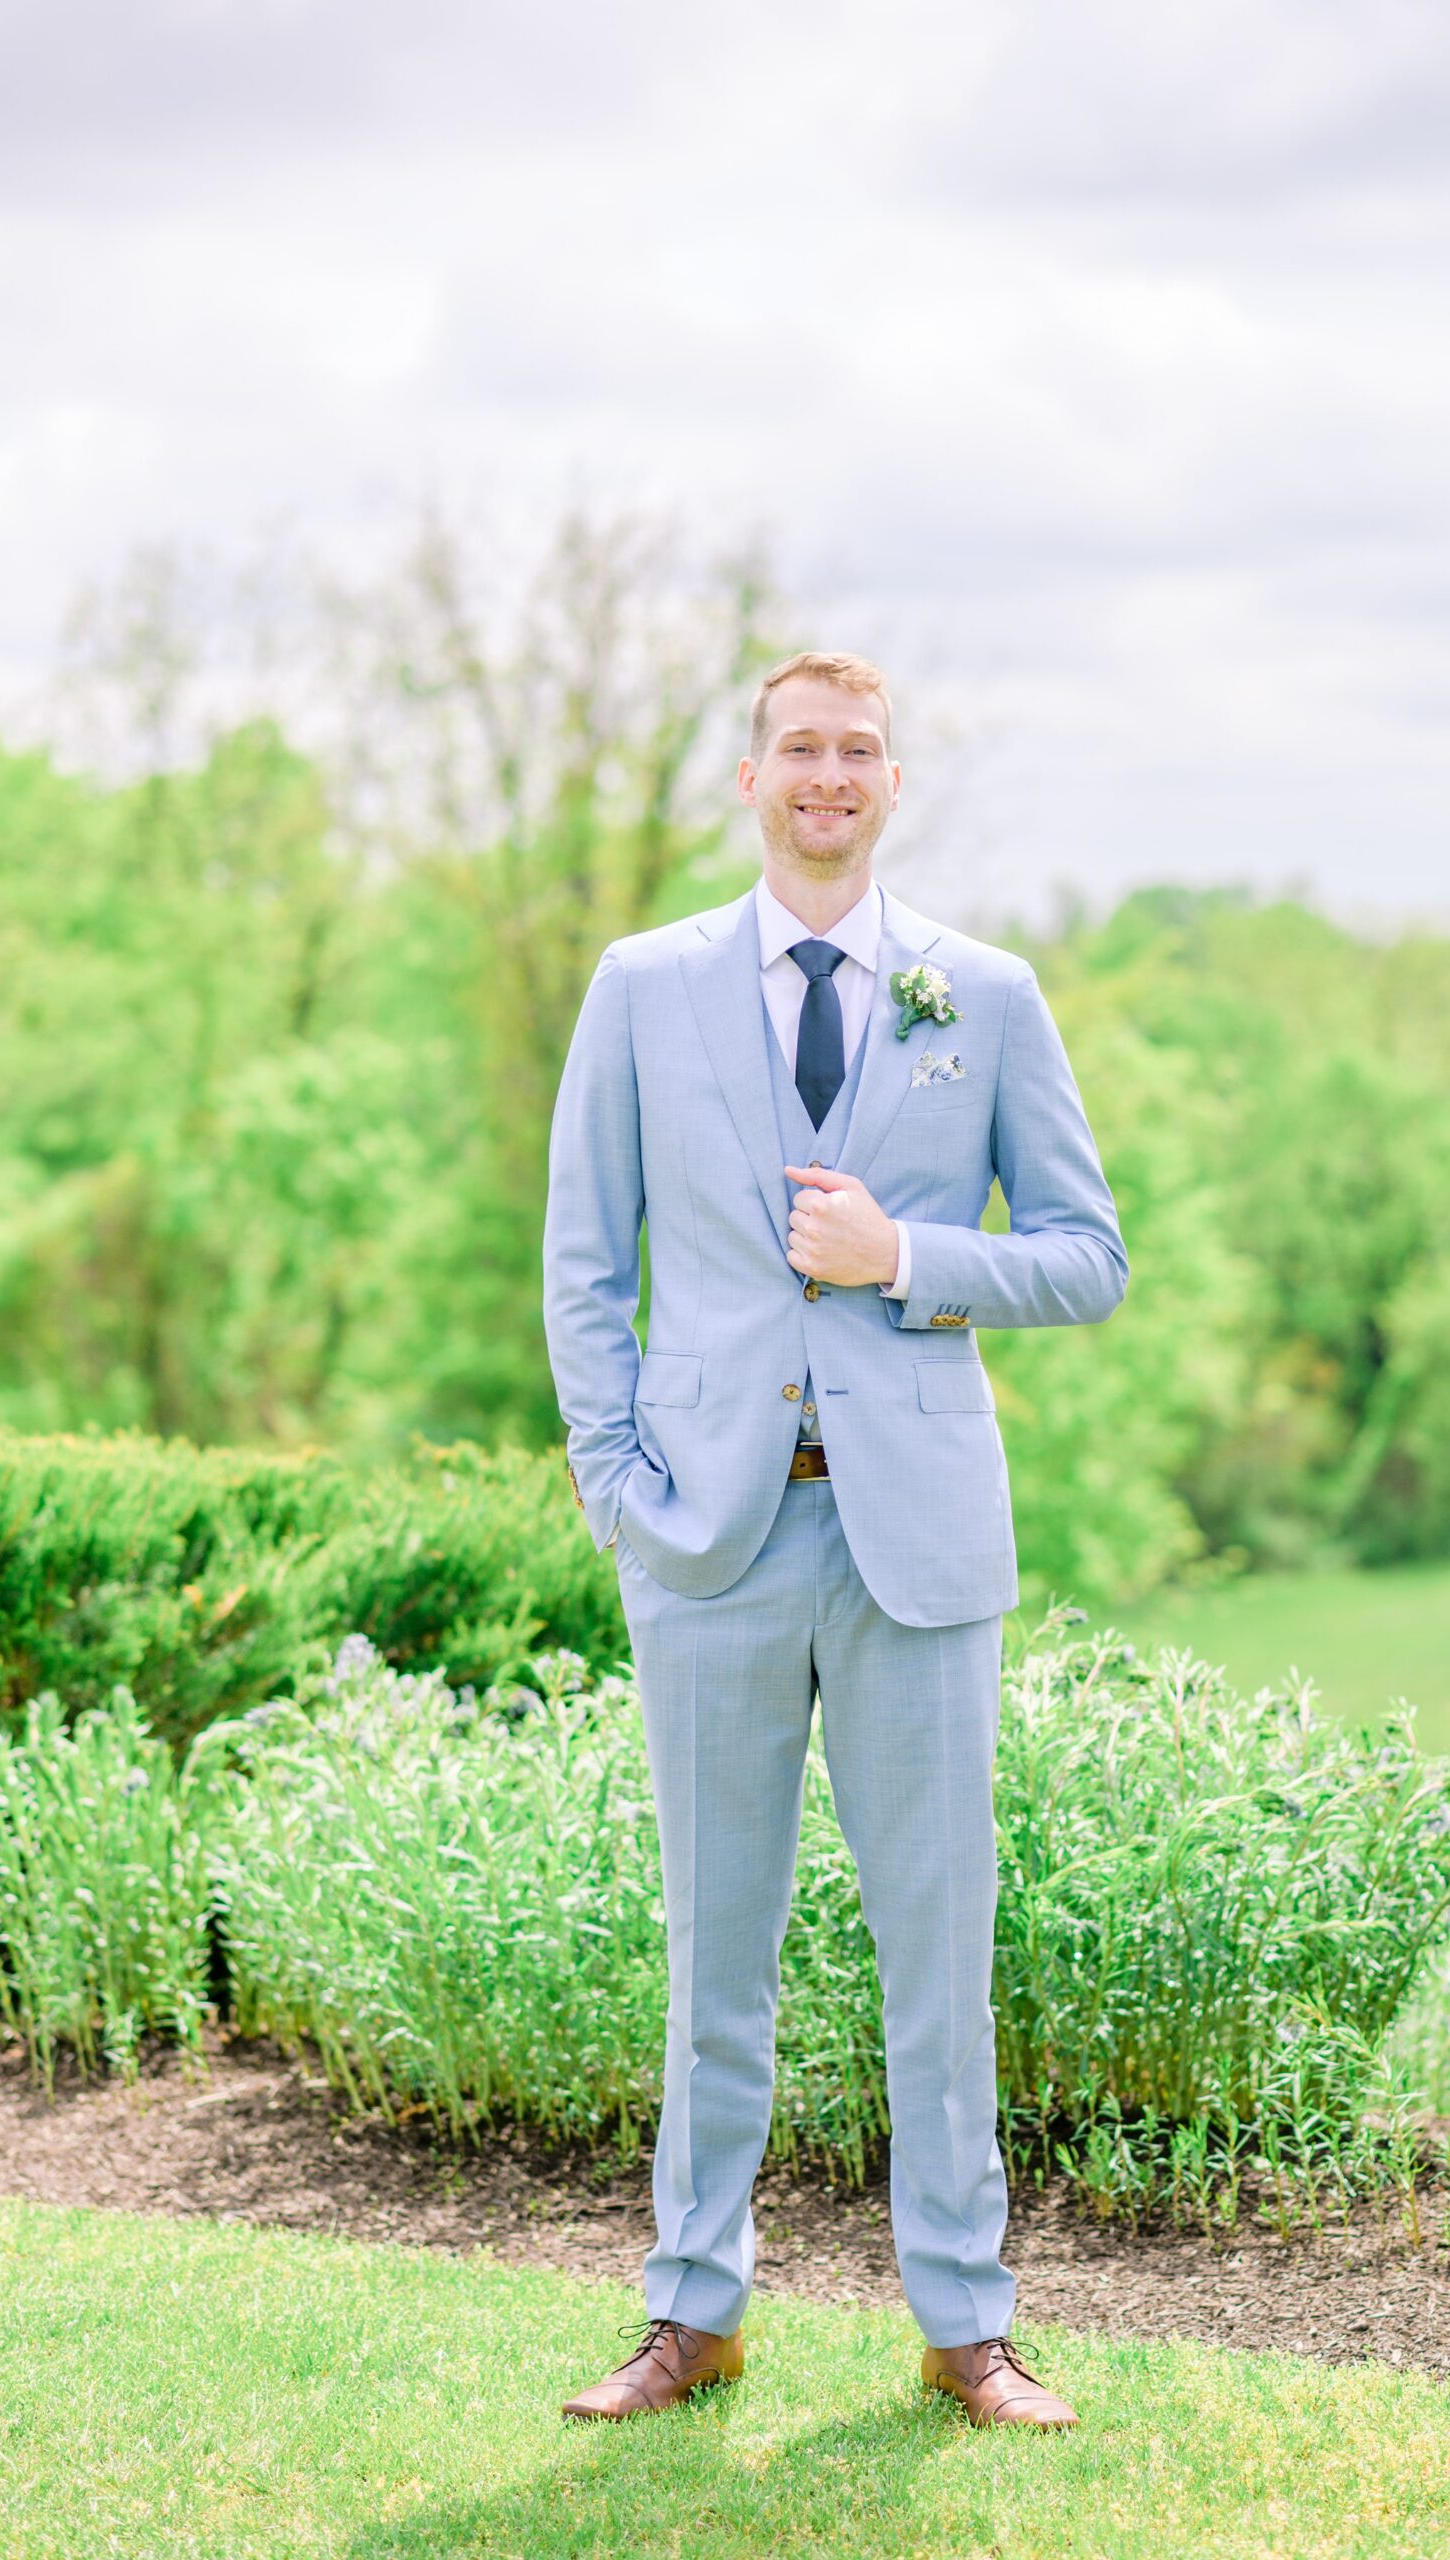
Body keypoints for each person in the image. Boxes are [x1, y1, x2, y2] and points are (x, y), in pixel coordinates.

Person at [542, 650, 1127, 2428]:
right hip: (708, 1542)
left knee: (939, 1952)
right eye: (800, 747)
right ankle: (693, 2311)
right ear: (749, 777)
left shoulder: (987, 995)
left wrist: (910, 1260)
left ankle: (968, 2328)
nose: (829, 775)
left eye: (859, 750)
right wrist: (624, 1498)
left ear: (892, 783)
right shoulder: (643, 988)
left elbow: (1088, 1256)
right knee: (715, 1950)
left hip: (919, 1549)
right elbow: (585, 1266)